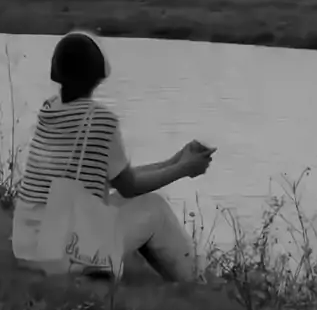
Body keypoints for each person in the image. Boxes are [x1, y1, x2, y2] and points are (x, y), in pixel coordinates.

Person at [12, 31, 215, 282]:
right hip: (60, 256)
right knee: (155, 209)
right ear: (97, 77)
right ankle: (198, 283)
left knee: (118, 201)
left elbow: (120, 179)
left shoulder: (50, 110)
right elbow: (130, 187)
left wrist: (176, 160)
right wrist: (185, 169)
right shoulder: (99, 121)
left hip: (29, 249)